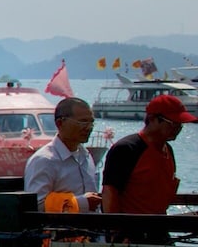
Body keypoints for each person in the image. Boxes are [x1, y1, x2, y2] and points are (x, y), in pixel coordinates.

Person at [103, 94, 193, 242]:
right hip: (130, 233)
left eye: (180, 124)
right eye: (173, 123)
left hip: (159, 230)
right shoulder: (127, 149)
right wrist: (116, 233)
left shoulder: (168, 150)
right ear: (152, 119)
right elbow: (110, 192)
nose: (178, 128)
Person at [24, 97, 102, 214]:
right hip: (59, 231)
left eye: (91, 122)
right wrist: (82, 203)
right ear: (60, 123)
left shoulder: (86, 156)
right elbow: (37, 205)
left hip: (90, 231)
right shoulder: (44, 160)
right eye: (82, 122)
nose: (88, 128)